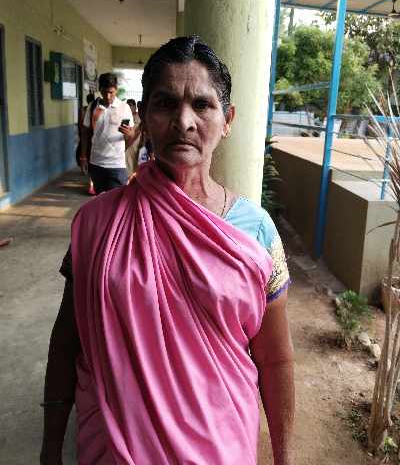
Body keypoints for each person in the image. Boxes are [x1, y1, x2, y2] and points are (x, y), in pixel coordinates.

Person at [40, 36, 295, 465]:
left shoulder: (256, 232)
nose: (184, 121)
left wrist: (284, 459)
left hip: (222, 448)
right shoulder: (98, 223)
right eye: (165, 103)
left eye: (202, 104)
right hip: (115, 449)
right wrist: (50, 449)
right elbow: (67, 342)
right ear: (144, 114)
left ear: (227, 119)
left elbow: (275, 361)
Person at [79, 73, 136, 194]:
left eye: (111, 92)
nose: (108, 96)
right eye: (104, 92)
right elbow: (85, 132)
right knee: (100, 199)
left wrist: (129, 134)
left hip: (117, 165)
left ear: (116, 90)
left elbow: (132, 135)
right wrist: (83, 157)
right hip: (96, 164)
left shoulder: (124, 108)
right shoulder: (93, 106)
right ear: (100, 90)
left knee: (117, 200)